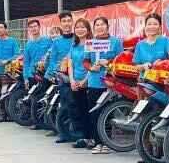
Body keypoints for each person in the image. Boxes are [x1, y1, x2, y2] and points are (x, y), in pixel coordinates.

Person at [75, 16, 123, 153]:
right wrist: (91, 67)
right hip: (94, 82)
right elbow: (85, 61)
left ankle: (107, 143)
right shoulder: (91, 43)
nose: (99, 27)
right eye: (97, 25)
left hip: (110, 83)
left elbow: (121, 60)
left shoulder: (115, 42)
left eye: (102, 24)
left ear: (107, 26)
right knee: (94, 112)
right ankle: (97, 142)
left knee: (107, 113)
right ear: (94, 28)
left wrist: (108, 62)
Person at [132, 13, 169, 163]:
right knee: (146, 118)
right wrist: (143, 66)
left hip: (162, 84)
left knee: (163, 116)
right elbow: (136, 65)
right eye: (149, 24)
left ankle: (163, 153)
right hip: (145, 84)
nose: (151, 27)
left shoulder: (165, 41)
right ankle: (147, 153)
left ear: (160, 26)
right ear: (145, 26)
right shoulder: (140, 44)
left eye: (155, 24)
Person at [63, 18, 95, 147]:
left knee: (89, 112)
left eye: (83, 27)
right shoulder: (73, 45)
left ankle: (93, 138)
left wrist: (85, 80)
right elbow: (70, 64)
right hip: (75, 82)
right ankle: (85, 137)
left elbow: (93, 64)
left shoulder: (92, 44)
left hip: (89, 81)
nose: (80, 30)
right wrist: (72, 80)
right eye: (77, 27)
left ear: (88, 29)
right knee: (80, 111)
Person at [45, 13, 77, 141]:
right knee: (64, 106)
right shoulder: (57, 42)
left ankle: (79, 132)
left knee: (78, 105)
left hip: (78, 76)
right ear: (61, 23)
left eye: (69, 20)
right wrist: (53, 71)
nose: (67, 23)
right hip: (63, 77)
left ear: (72, 22)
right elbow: (52, 60)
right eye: (64, 21)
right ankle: (63, 133)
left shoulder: (78, 38)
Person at [0, 21, 20, 122]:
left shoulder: (13, 41)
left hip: (9, 71)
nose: (0, 30)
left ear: (6, 29)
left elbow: (17, 54)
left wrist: (8, 60)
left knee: (8, 93)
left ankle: (10, 114)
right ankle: (1, 114)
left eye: (2, 28)